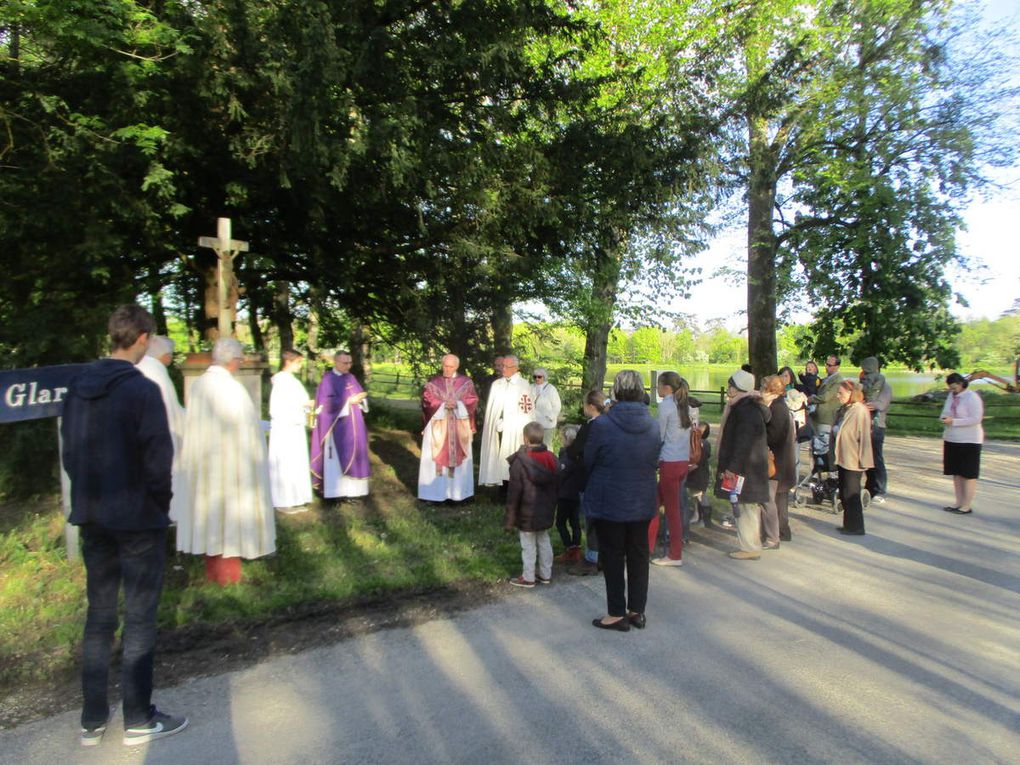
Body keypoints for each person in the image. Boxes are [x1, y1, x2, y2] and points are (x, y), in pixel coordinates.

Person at [61, 305, 188, 747]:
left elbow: (69, 453)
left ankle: (92, 719)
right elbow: (159, 459)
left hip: (92, 514)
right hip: (137, 517)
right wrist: (160, 506)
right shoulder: (142, 389)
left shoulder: (78, 386)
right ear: (142, 339)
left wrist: (87, 495)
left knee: (98, 617)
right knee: (138, 618)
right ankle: (138, 716)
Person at [177, 338, 276, 571]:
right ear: (233, 361)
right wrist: (259, 430)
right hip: (229, 462)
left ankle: (212, 551)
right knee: (228, 512)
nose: (241, 363)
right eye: (240, 359)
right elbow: (243, 428)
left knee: (211, 509)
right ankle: (231, 558)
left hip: (206, 460)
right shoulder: (231, 388)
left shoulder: (200, 384)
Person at [584, 371, 660, 631]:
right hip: (642, 496)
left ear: (615, 391)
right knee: (639, 555)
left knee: (614, 556)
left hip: (610, 498)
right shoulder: (653, 424)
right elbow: (653, 458)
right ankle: (637, 611)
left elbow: (588, 461)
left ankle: (617, 613)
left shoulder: (603, 425)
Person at [715, 369, 771, 560]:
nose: (729, 389)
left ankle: (749, 547)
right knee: (747, 507)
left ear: (737, 388)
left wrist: (732, 468)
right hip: (748, 468)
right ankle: (750, 544)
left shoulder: (745, 411)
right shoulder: (747, 407)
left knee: (745, 507)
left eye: (731, 386)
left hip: (746, 469)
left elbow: (742, 443)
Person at [649, 371, 698, 567]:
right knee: (655, 504)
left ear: (666, 387)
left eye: (659, 385)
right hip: (682, 461)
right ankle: (647, 546)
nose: (657, 389)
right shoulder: (684, 405)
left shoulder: (666, 406)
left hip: (669, 461)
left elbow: (658, 435)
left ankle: (674, 554)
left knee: (671, 510)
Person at [137, 335, 187, 523]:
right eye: (171, 354)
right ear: (165, 355)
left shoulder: (142, 366)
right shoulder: (156, 371)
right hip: (163, 434)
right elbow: (171, 410)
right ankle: (170, 515)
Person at [504, 422, 559, 588]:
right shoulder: (552, 458)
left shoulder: (520, 462)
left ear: (525, 439)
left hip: (526, 510)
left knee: (528, 545)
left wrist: (509, 519)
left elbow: (514, 492)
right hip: (546, 509)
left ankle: (528, 577)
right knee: (543, 540)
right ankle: (545, 574)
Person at [418, 354, 478, 502]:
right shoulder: (434, 382)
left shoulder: (466, 382)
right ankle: (433, 495)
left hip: (459, 427)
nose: (447, 369)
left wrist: (458, 404)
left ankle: (458, 495)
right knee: (434, 459)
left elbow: (472, 401)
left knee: (460, 462)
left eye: (450, 366)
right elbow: (426, 401)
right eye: (445, 365)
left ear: (457, 366)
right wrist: (443, 405)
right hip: (438, 427)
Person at [311, 351, 371, 500]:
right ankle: (336, 492)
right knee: (337, 459)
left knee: (356, 457)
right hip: (337, 427)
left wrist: (361, 399)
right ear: (336, 362)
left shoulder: (350, 377)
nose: (349, 366)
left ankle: (353, 492)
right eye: (345, 363)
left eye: (350, 363)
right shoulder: (328, 380)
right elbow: (325, 404)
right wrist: (347, 402)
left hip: (355, 425)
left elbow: (358, 395)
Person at [478, 355, 534, 489]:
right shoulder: (497, 384)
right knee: (497, 454)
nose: (502, 369)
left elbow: (527, 410)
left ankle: (511, 487)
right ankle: (497, 483)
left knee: (512, 455)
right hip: (497, 428)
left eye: (506, 367)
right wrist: (496, 421)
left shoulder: (524, 385)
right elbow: (493, 408)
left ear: (515, 368)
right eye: (502, 366)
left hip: (515, 429)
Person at [567, 390, 607, 576]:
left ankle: (592, 557)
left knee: (590, 519)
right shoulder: (610, 424)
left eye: (584, 404)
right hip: (607, 477)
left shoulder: (589, 427)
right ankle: (604, 555)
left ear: (591, 406)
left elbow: (576, 451)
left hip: (589, 478)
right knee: (604, 519)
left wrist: (571, 450)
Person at [268, 349, 314, 513]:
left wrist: (307, 406)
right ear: (289, 361)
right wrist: (304, 405)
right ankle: (283, 500)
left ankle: (296, 497)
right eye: (298, 362)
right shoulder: (282, 382)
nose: (300, 366)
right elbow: (281, 407)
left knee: (296, 463)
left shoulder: (291, 380)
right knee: (285, 464)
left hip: (295, 427)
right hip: (286, 428)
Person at [833, 380, 874, 535]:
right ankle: (848, 524)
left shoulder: (860, 411)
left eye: (841, 393)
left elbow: (864, 437)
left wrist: (864, 461)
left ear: (851, 393)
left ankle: (857, 527)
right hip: (843, 457)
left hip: (853, 459)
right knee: (844, 491)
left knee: (852, 493)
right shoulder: (845, 409)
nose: (838, 396)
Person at [939, 372, 984, 515]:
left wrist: (955, 422)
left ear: (961, 384)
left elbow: (976, 419)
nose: (952, 391)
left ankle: (966, 505)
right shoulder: (951, 396)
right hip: (952, 438)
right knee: (956, 472)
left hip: (969, 439)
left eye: (954, 387)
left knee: (967, 473)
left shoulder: (972, 397)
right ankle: (958, 502)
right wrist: (944, 418)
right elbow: (945, 411)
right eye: (950, 388)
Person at [762, 374, 798, 545]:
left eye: (764, 388)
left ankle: (774, 533)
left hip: (777, 460)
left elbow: (773, 436)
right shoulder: (780, 406)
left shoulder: (776, 409)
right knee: (780, 497)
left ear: (771, 391)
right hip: (783, 459)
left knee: (772, 498)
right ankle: (783, 530)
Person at [860, 357, 892, 504]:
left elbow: (881, 404)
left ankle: (880, 489)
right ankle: (869, 486)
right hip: (863, 424)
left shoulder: (885, 386)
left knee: (876, 458)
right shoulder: (863, 383)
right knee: (865, 457)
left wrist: (868, 404)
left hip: (877, 425)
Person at [554, 423, 584, 563]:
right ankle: (577, 548)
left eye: (563, 438)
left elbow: (560, 474)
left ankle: (569, 548)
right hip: (576, 494)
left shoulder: (567, 456)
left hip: (565, 495)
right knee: (575, 523)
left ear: (568, 439)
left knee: (560, 522)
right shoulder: (580, 454)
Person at [685, 421, 713, 527]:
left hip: (700, 474)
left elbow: (700, 460)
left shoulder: (704, 444)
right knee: (695, 496)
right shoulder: (696, 443)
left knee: (700, 496)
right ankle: (697, 516)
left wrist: (689, 469)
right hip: (696, 474)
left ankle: (704, 519)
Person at [530, 367, 562, 447]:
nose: (537, 379)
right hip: (534, 423)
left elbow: (557, 406)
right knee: (534, 446)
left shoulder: (551, 389)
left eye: (539, 377)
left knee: (546, 446)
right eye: (535, 377)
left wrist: (550, 417)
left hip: (547, 424)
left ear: (544, 377)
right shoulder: (530, 387)